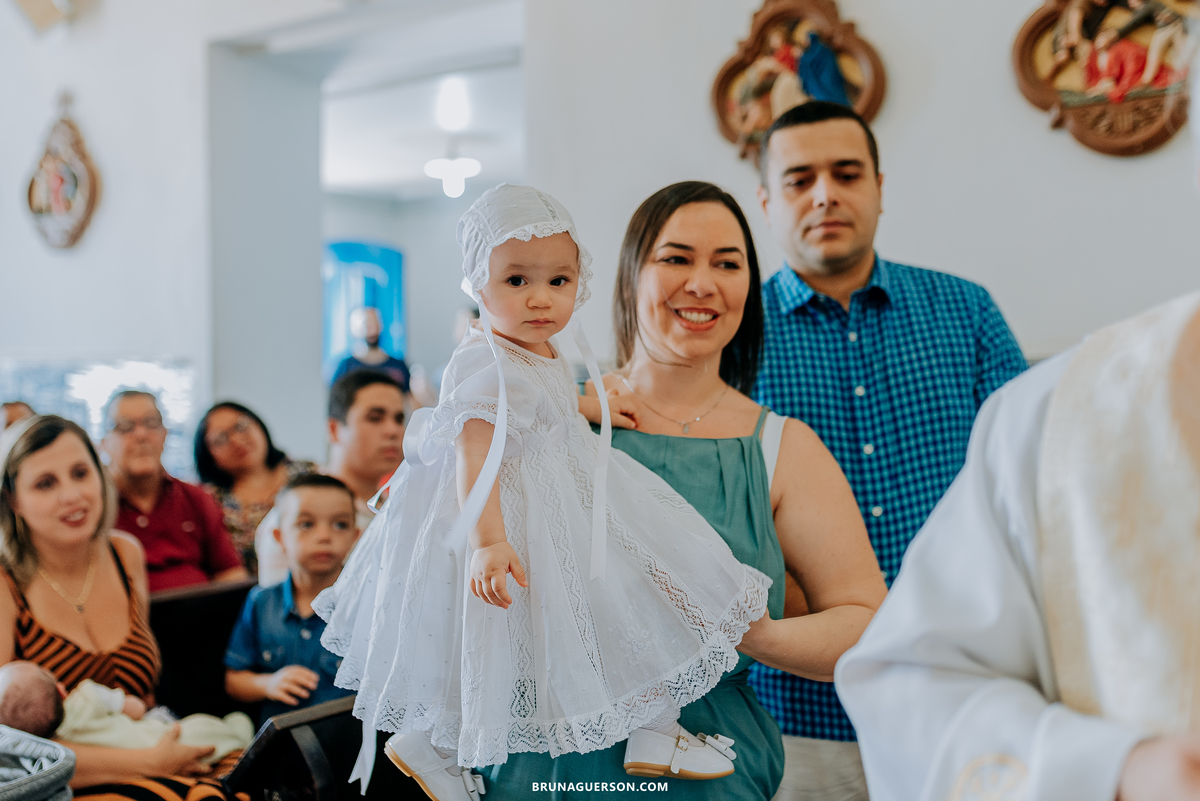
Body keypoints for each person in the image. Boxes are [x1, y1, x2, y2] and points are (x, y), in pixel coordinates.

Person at [316, 184, 787, 801]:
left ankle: (652, 729)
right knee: (532, 631)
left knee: (625, 601)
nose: (540, 298)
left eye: (558, 281)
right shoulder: (483, 361)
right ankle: (430, 742)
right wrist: (488, 540)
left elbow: (549, 402)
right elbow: (473, 451)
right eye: (515, 281)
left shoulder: (533, 346)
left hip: (563, 493)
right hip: (519, 515)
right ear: (476, 285)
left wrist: (595, 402)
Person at [439, 181, 887, 801]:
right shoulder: (544, 409)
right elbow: (443, 531)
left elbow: (868, 622)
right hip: (535, 766)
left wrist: (747, 630)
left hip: (705, 771)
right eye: (676, 258)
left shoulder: (783, 448)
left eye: (727, 263)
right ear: (627, 278)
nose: (701, 283)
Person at [750, 101, 1027, 800]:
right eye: (799, 178)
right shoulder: (729, 339)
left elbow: (1029, 484)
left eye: (846, 173)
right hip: (794, 717)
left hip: (961, 691)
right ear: (766, 200)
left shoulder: (967, 312)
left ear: (879, 185)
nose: (825, 194)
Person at [836, 287, 1200, 801]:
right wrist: (1113, 770)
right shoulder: (1066, 411)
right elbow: (915, 685)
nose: (825, 198)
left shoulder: (962, 308)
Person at [0, 414, 228, 797]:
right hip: (66, 786)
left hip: (158, 747)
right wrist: (149, 764)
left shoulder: (125, 554)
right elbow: (6, 746)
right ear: (14, 501)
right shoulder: (5, 584)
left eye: (79, 473)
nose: (72, 495)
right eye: (45, 483)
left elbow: (147, 697)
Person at [225, 474, 359, 724]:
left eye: (340, 524)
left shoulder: (367, 605)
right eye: (306, 524)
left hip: (346, 746)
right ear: (279, 538)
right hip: (280, 748)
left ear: (356, 536)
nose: (324, 536)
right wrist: (268, 684)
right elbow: (234, 680)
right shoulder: (261, 602)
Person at [255, 372, 405, 586]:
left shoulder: (395, 505)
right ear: (334, 430)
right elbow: (281, 615)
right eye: (375, 418)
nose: (394, 431)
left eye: (399, 419)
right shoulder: (295, 517)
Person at [101, 391, 247, 592]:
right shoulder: (95, 507)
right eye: (126, 427)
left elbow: (231, 574)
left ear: (165, 434)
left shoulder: (197, 498)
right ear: (104, 442)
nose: (141, 435)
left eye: (151, 423)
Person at [0, 662, 253, 764]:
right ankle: (241, 731)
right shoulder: (88, 696)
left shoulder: (57, 749)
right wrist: (134, 703)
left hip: (145, 757)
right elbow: (136, 709)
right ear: (61, 690)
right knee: (224, 727)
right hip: (168, 737)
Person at [195, 402, 316, 574]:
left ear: (257, 423)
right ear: (207, 453)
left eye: (240, 426)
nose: (236, 440)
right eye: (220, 438)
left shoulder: (309, 474)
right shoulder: (208, 499)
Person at [331, 307, 412, 393]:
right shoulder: (345, 367)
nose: (372, 329)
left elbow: (410, 398)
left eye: (375, 323)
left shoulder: (398, 366)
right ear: (354, 329)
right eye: (367, 324)